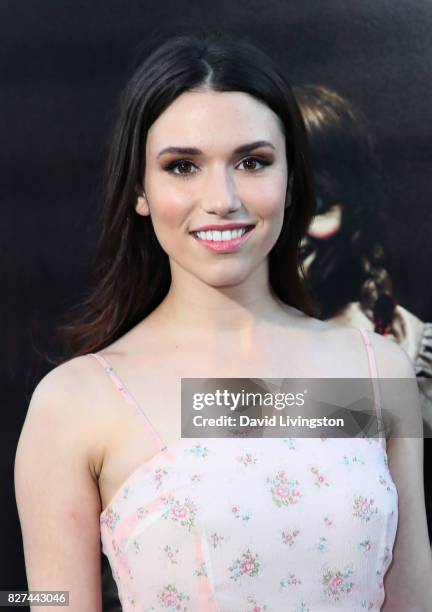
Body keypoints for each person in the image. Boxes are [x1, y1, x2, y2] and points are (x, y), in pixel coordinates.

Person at [14, 31, 432, 611]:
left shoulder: (374, 368)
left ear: (291, 181)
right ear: (140, 188)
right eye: (183, 166)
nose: (222, 198)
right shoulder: (77, 400)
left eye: (253, 162)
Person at [294, 85, 432, 436]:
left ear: (355, 215)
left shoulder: (409, 350)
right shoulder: (186, 345)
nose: (290, 233)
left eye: (317, 207)